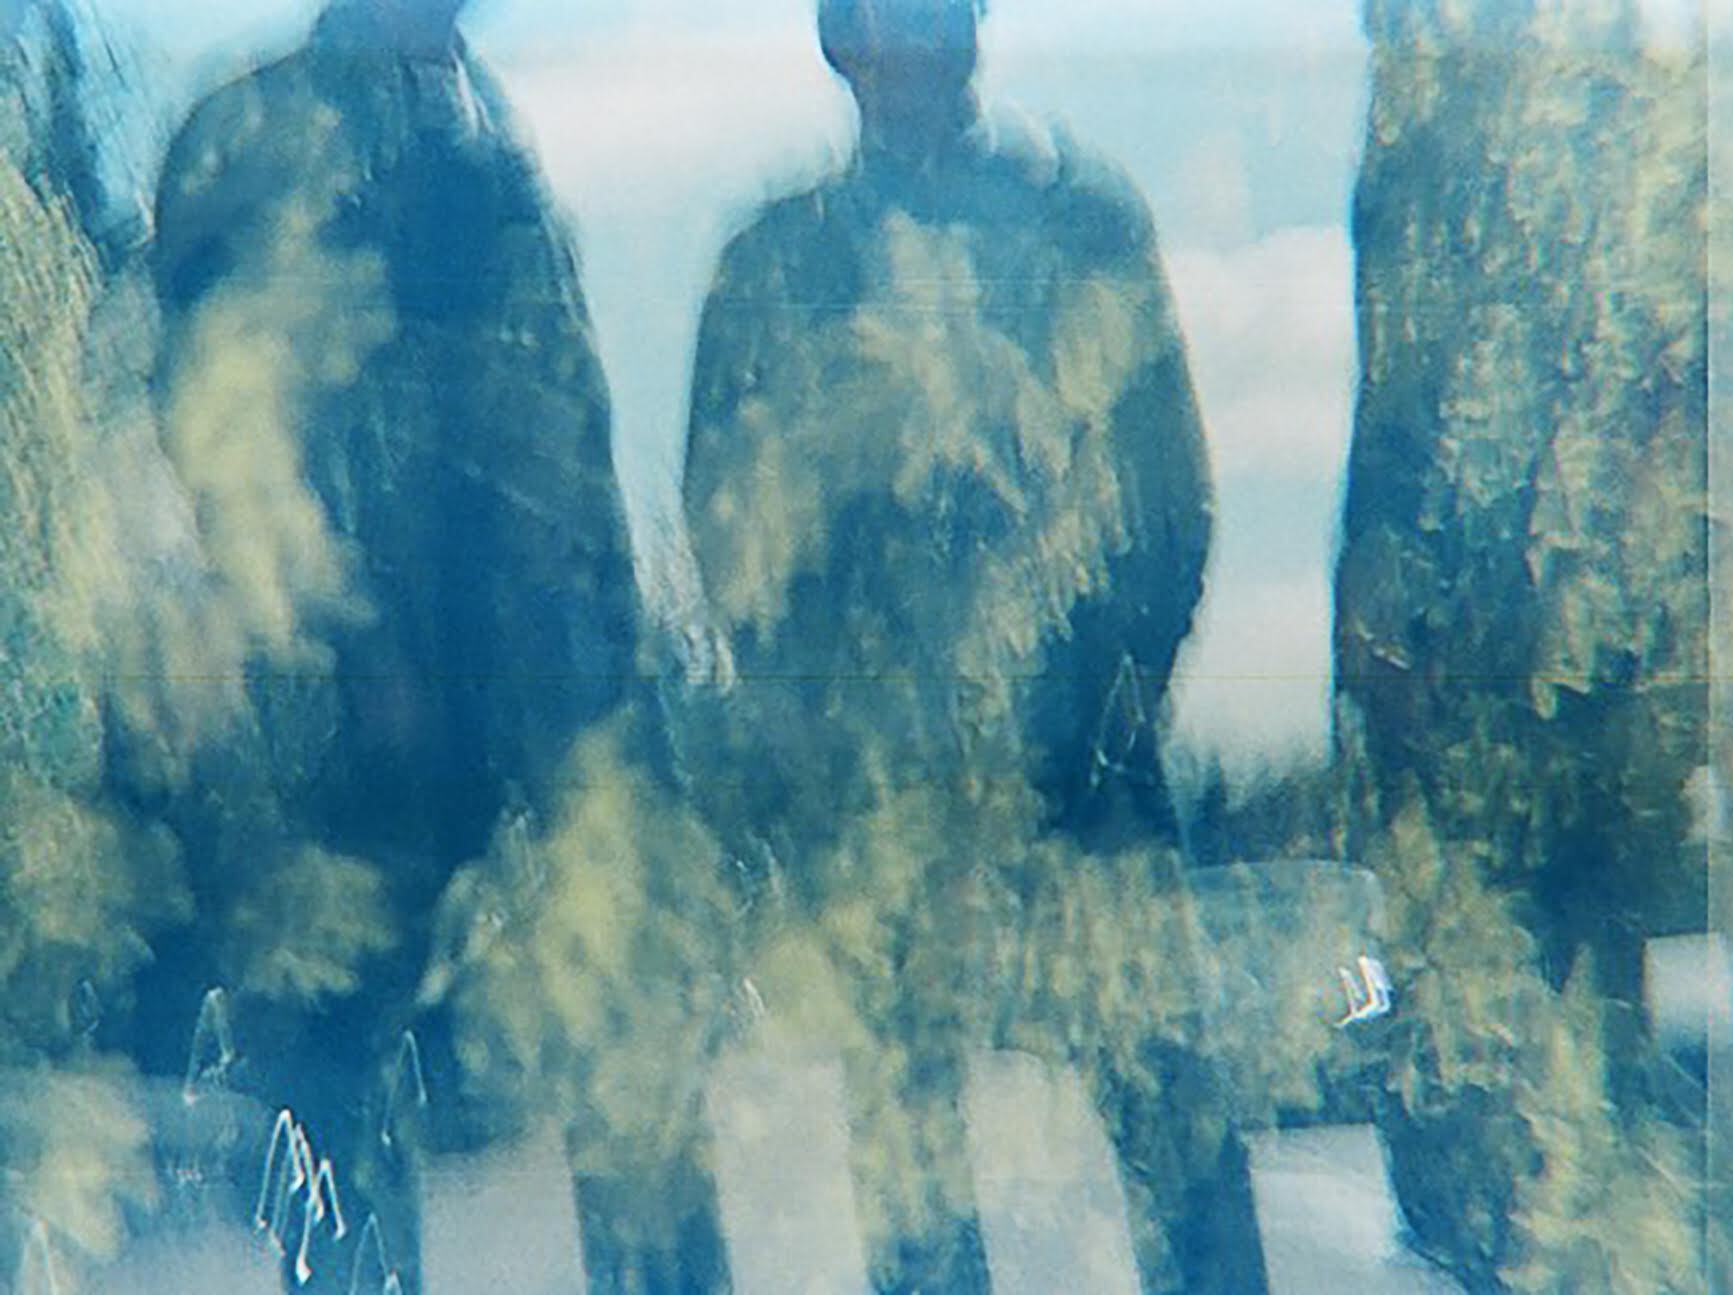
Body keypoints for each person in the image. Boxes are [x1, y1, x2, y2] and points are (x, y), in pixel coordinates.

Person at [147, 0, 652, 1284]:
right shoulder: (255, 135)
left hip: (515, 774)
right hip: (332, 780)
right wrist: (360, 657)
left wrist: (603, 722)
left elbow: (565, 455)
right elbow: (225, 453)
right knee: (324, 1165)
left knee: (556, 1151)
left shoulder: (492, 145)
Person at [681, 0, 1213, 859]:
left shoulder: (1084, 229)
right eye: (879, 9)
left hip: (1071, 815)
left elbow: (1167, 519)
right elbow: (736, 565)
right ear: (837, 38)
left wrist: (1100, 730)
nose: (911, 27)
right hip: (862, 828)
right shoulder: (773, 269)